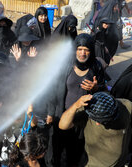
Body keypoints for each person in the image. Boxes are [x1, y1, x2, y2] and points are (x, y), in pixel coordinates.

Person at [48, 33, 106, 167]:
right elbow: (54, 89)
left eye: (86, 50)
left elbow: (104, 92)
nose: (82, 53)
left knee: (76, 150)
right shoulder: (66, 65)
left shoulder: (96, 66)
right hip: (62, 114)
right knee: (57, 148)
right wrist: (51, 112)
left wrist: (96, 87)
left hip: (83, 118)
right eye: (79, 49)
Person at [59, 92, 132, 166]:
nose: (98, 123)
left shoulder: (126, 105)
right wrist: (75, 106)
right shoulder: (86, 112)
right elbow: (63, 125)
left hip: (121, 163)